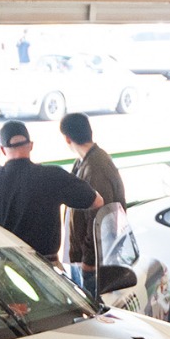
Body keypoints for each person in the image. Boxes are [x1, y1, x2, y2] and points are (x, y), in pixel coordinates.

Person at [0, 119, 102, 264]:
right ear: (31, 146)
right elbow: (97, 201)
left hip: (6, 268)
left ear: (2, 150)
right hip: (46, 268)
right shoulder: (52, 175)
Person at [57, 112, 125, 293]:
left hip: (94, 263)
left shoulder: (95, 167)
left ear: (67, 138)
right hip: (88, 258)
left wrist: (88, 260)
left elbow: (100, 219)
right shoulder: (85, 162)